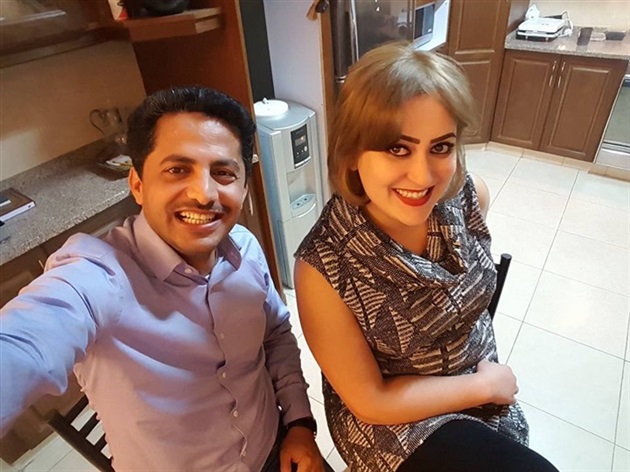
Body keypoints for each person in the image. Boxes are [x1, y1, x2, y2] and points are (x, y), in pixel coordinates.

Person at [0, 86, 326, 472]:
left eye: (223, 173)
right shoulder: (98, 276)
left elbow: (275, 335)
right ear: (138, 185)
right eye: (177, 170)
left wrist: (300, 424)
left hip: (276, 450)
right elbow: (24, 342)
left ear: (243, 188)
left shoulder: (246, 249)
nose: (203, 194)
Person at [294, 43, 559, 472]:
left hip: (476, 382)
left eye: (440, 147)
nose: (422, 176)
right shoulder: (324, 267)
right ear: (352, 153)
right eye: (398, 149)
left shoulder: (467, 197)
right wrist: (484, 386)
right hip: (394, 423)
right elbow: (370, 401)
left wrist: (481, 383)